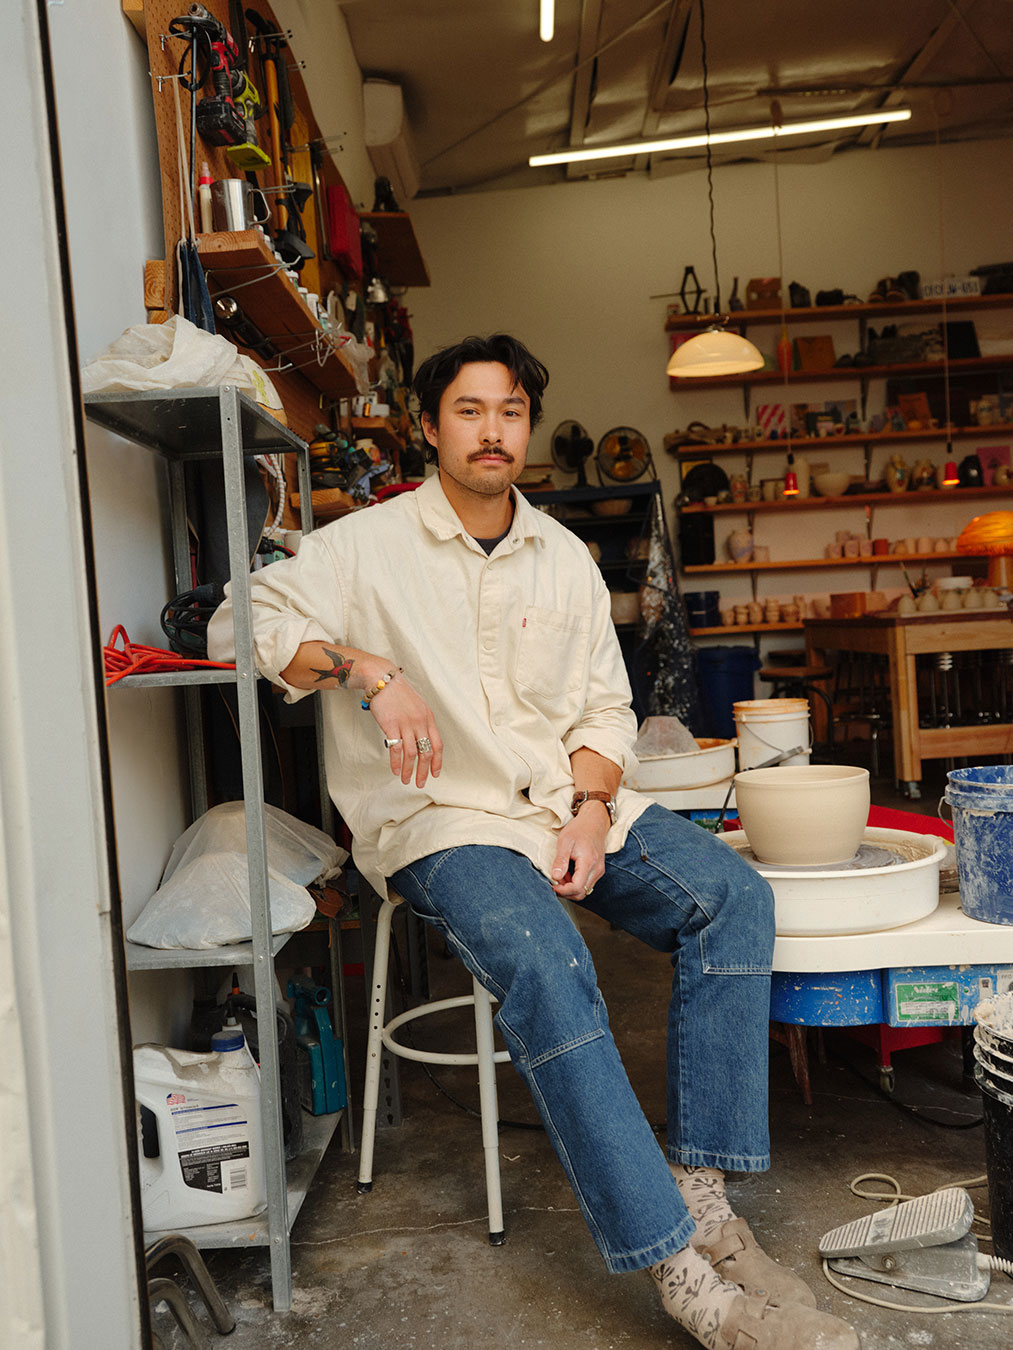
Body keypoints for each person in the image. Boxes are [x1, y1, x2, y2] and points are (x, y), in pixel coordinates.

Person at [207, 334, 859, 1350]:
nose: (491, 431)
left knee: (733, 898)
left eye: (508, 411)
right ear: (429, 429)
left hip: (563, 803)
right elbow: (235, 623)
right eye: (468, 411)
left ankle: (705, 1203)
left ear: (524, 427)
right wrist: (364, 669)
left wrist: (593, 810)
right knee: (548, 960)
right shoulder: (363, 545)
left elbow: (603, 709)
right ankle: (680, 1274)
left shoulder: (559, 554)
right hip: (443, 820)